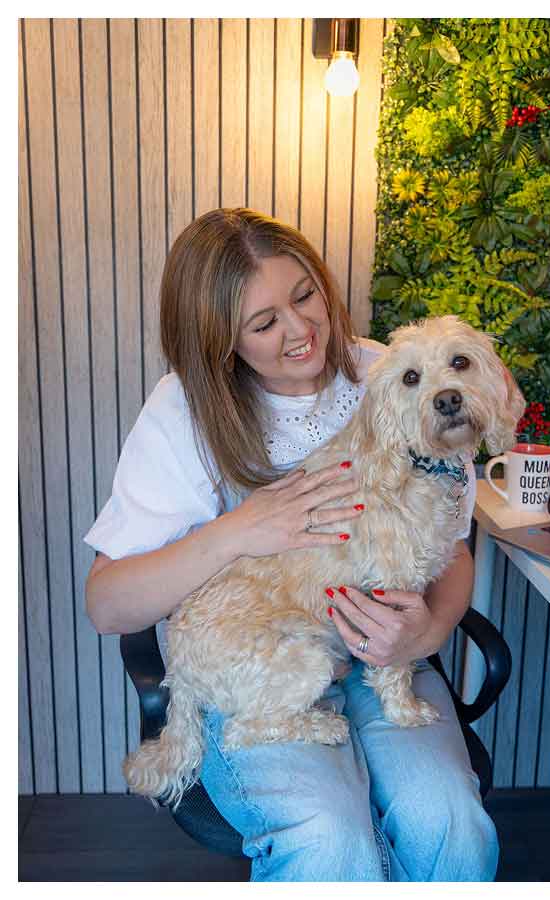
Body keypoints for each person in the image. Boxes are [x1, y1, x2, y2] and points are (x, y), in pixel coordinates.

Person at [85, 208, 499, 882]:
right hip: (264, 652)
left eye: (304, 295)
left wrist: (429, 631)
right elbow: (106, 607)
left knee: (448, 821)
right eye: (264, 322)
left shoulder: (395, 372)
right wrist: (238, 531)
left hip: (380, 650)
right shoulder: (183, 410)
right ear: (221, 339)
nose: (302, 330)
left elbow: (450, 546)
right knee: (331, 841)